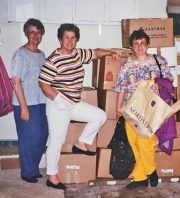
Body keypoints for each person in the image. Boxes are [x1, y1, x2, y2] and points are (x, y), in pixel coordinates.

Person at [38, 23, 119, 190]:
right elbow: (43, 84)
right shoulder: (53, 59)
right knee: (56, 141)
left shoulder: (77, 54)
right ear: (60, 39)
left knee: (100, 116)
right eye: (66, 37)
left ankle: (81, 143)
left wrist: (110, 52)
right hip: (57, 105)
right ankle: (52, 177)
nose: (70, 41)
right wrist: (58, 99)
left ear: (76, 40)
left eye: (73, 37)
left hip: (73, 103)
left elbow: (95, 52)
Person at [115, 29, 173, 190]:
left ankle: (150, 171)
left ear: (148, 44)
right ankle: (142, 177)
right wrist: (118, 109)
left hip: (151, 109)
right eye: (135, 43)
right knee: (134, 143)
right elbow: (120, 88)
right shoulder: (126, 65)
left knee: (145, 141)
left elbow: (169, 79)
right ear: (132, 46)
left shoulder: (159, 61)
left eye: (142, 43)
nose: (139, 46)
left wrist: (158, 84)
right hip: (130, 109)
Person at [10, 18, 48, 183]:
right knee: (29, 138)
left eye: (38, 32)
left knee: (42, 136)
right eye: (32, 32)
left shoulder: (42, 55)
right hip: (25, 103)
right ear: (26, 33)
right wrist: (24, 108)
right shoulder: (20, 54)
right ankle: (27, 172)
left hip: (41, 102)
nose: (35, 35)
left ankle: (33, 168)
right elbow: (16, 82)